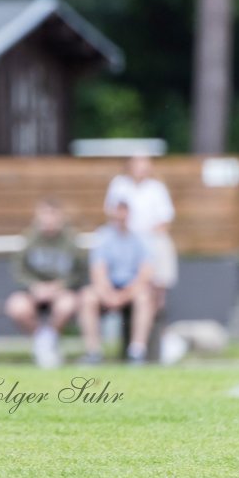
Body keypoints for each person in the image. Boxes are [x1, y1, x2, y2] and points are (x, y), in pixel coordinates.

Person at [5, 198, 84, 369]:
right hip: (34, 292)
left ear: (60, 217)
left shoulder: (70, 241)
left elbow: (79, 273)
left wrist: (60, 286)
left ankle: (46, 342)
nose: (49, 220)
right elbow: (18, 272)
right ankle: (44, 341)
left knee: (67, 305)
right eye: (45, 215)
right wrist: (34, 287)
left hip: (60, 292)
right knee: (16, 306)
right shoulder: (29, 240)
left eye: (53, 215)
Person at [78, 198, 155, 365]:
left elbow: (145, 274)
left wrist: (124, 295)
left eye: (124, 211)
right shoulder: (103, 237)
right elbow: (98, 271)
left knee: (145, 297)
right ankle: (93, 351)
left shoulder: (139, 239)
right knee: (87, 297)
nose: (121, 216)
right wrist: (109, 294)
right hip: (108, 289)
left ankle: (137, 351)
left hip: (131, 290)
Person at [105, 154, 176, 311]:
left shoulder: (157, 187)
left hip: (150, 240)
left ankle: (157, 314)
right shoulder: (119, 184)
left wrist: (145, 241)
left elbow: (165, 220)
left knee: (161, 251)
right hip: (125, 240)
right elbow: (112, 213)